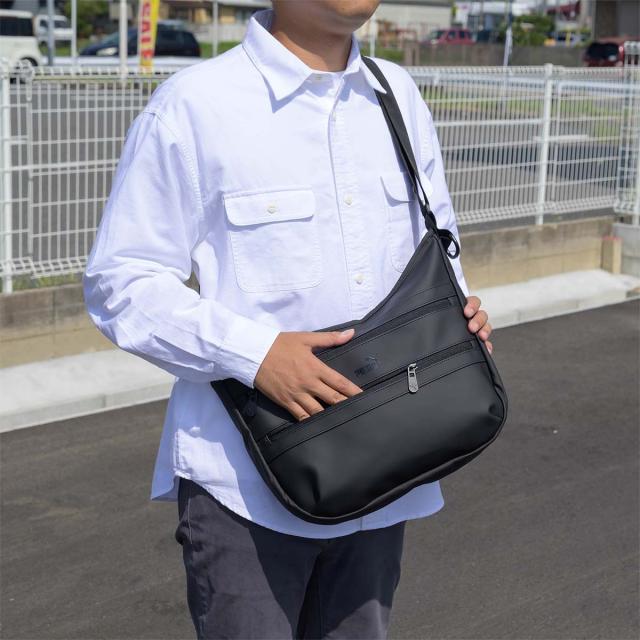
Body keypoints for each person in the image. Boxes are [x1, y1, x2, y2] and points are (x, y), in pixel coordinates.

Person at [83, 1, 493, 638]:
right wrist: (256, 355)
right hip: (248, 487)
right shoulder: (197, 105)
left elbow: (437, 244)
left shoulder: (396, 94)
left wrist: (459, 312)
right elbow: (121, 283)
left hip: (389, 464)